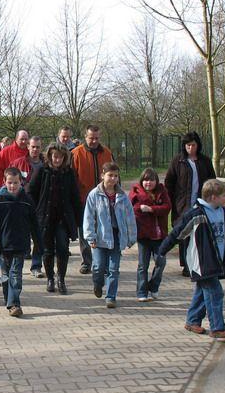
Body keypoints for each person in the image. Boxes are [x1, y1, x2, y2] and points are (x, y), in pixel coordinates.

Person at [156, 179, 225, 341]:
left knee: (204, 291)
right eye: (224, 195)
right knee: (215, 292)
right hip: (201, 261)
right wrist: (162, 250)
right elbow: (178, 233)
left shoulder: (224, 213)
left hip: (217, 260)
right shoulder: (195, 214)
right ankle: (217, 328)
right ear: (213, 197)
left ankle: (192, 320)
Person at [0, 167, 40, 317]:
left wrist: (39, 244)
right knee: (5, 275)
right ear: (4, 182)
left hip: (20, 244)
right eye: (9, 183)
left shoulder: (27, 201)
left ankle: (14, 304)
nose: (12, 186)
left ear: (21, 182)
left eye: (16, 183)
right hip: (3, 245)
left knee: (15, 274)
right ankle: (8, 298)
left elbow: (35, 224)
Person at [83, 162, 137, 309]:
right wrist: (90, 236)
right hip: (99, 236)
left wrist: (131, 237)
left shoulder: (122, 196)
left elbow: (130, 218)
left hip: (116, 237)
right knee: (98, 266)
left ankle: (111, 297)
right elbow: (88, 217)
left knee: (113, 269)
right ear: (103, 176)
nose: (113, 179)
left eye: (115, 176)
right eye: (110, 175)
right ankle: (98, 283)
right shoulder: (94, 194)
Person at [28, 143, 81, 294]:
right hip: (45, 217)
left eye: (60, 157)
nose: (57, 160)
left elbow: (75, 196)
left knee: (63, 249)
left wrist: (78, 218)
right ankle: (50, 278)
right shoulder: (42, 171)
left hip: (63, 218)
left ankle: (61, 279)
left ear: (65, 158)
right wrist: (35, 210)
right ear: (50, 156)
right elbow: (31, 192)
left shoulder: (69, 173)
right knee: (47, 250)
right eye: (55, 156)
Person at [164, 131, 216, 276]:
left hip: (201, 204)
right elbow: (169, 182)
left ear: (198, 145)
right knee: (184, 234)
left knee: (199, 234)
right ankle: (186, 265)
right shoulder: (178, 161)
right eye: (188, 145)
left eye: (193, 145)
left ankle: (198, 264)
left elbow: (212, 181)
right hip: (182, 205)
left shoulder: (205, 161)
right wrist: (170, 201)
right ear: (184, 146)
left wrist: (211, 200)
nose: (190, 148)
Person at [71, 125, 114, 274]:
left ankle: (102, 262)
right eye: (91, 138)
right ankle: (87, 262)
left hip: (105, 199)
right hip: (83, 199)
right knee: (85, 231)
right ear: (85, 137)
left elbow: (115, 175)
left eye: (97, 138)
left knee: (103, 229)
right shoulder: (76, 153)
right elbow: (72, 178)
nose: (94, 141)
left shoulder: (107, 153)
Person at [129, 168, 172, 303]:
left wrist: (151, 209)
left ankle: (153, 286)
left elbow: (167, 207)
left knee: (161, 262)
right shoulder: (136, 192)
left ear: (156, 181)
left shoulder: (162, 191)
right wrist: (140, 208)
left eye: (151, 180)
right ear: (142, 181)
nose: (148, 183)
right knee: (143, 265)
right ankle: (141, 292)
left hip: (160, 236)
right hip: (144, 236)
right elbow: (131, 209)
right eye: (146, 180)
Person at [11, 136, 46, 276]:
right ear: (28, 147)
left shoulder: (46, 165)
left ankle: (36, 266)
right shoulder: (19, 163)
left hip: (41, 205)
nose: (35, 149)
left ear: (41, 148)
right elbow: (9, 182)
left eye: (38, 147)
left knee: (39, 236)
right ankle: (17, 267)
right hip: (22, 205)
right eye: (33, 147)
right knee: (22, 236)